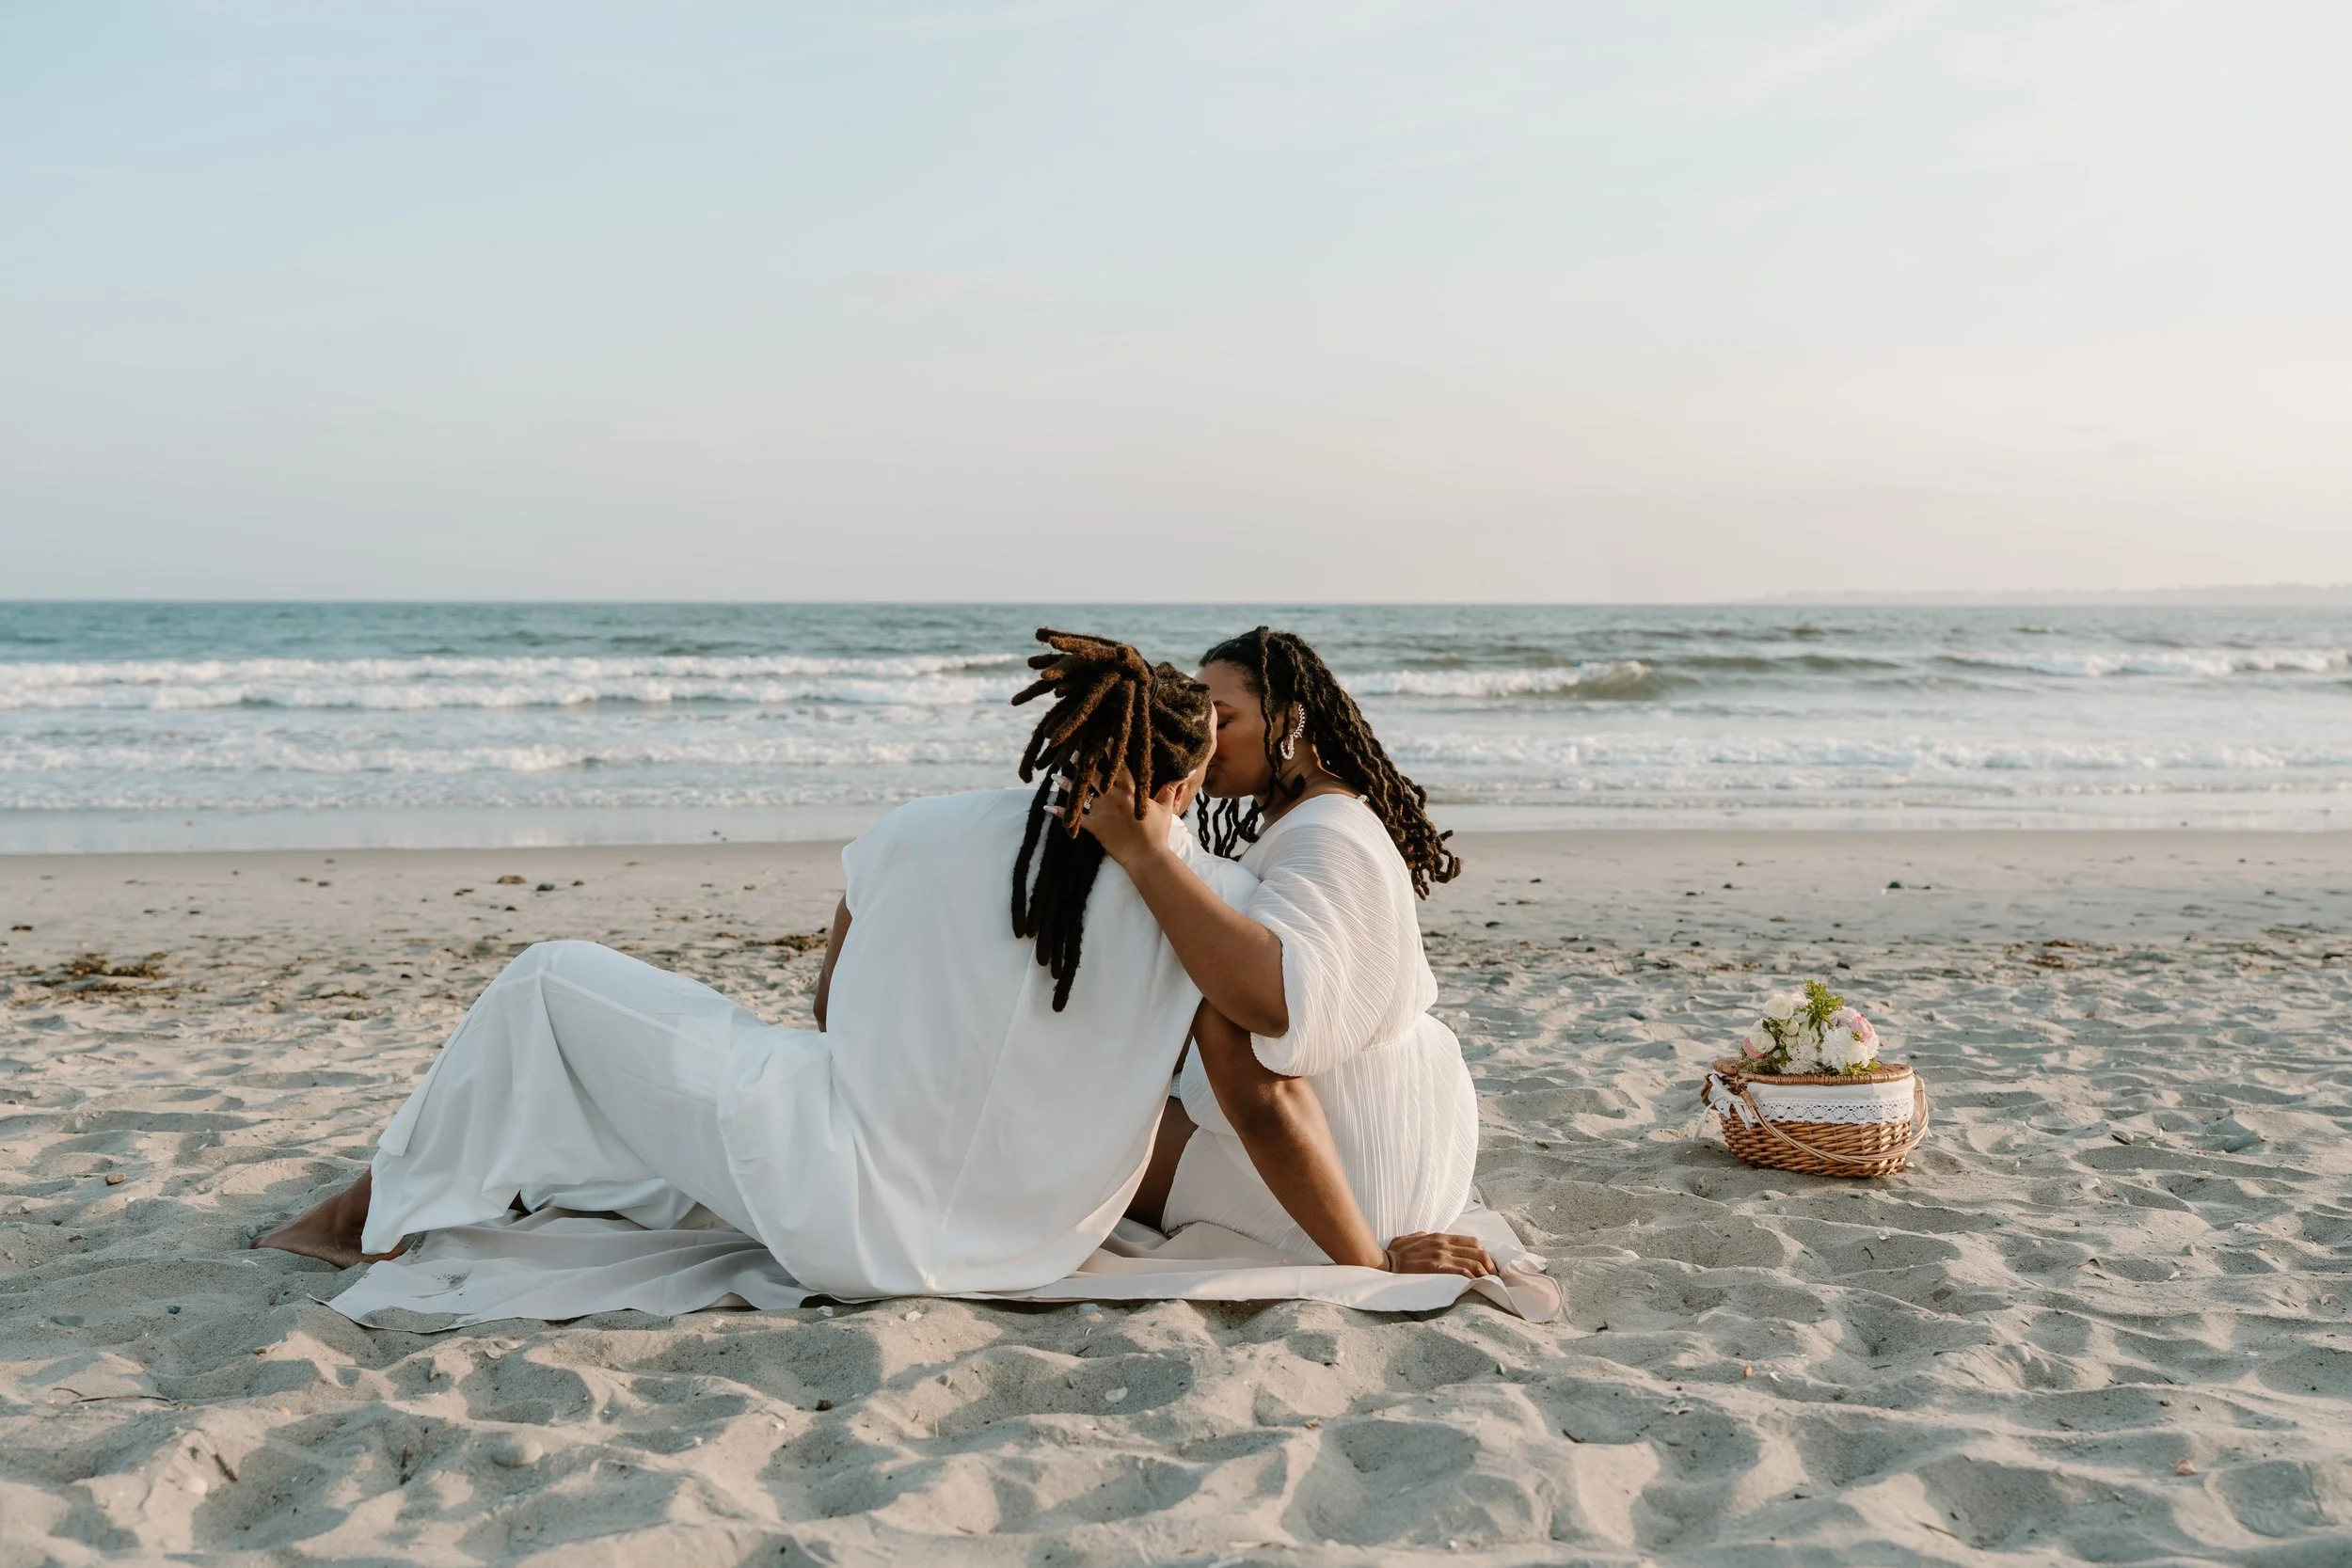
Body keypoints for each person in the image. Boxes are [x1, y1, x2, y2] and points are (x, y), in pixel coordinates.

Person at [256, 630, 1490, 1297]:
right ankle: (501, 1179)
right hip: (1026, 1238)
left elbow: (831, 1003)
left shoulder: (921, 830)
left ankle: (360, 1217)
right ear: (1174, 779)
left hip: (831, 1193)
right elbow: (1247, 1060)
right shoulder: (1208, 904)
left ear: (1065, 740)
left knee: (549, 978)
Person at [1082, 626, 1483, 1266]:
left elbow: (1277, 1005)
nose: (1204, 739)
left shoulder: (1326, 830)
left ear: (1289, 715)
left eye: (1223, 717)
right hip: (1377, 1164)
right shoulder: (1316, 822)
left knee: (1064, 1125)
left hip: (1340, 1194)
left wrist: (1143, 851)